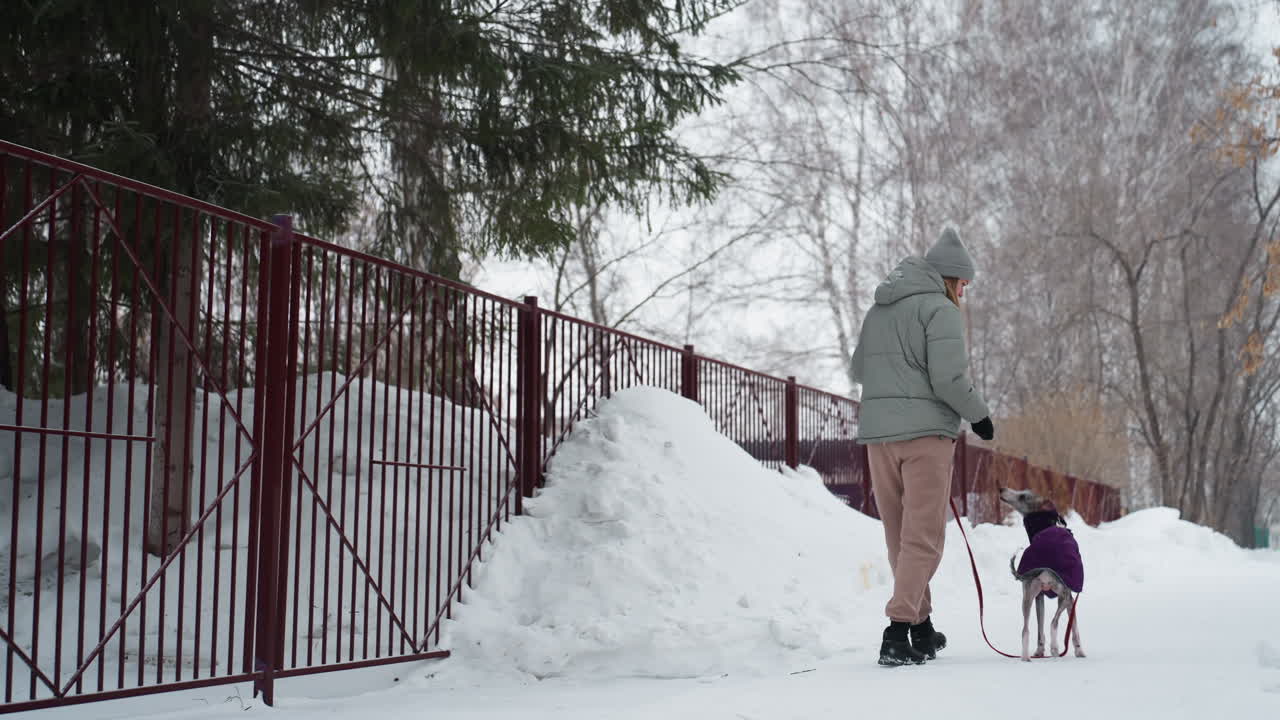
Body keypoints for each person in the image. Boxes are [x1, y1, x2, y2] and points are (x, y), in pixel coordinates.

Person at [850, 227, 994, 666]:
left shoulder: (880, 308)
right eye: (964, 283)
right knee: (924, 536)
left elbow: (858, 368)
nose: (965, 292)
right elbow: (949, 380)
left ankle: (921, 627)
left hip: (879, 438)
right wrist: (980, 416)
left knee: (900, 534)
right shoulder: (941, 311)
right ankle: (896, 632)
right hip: (926, 438)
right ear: (951, 278)